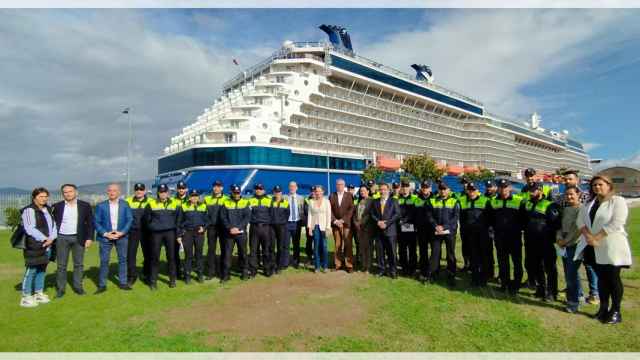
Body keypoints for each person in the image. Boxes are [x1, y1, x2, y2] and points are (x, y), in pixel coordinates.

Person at [577, 175, 632, 324]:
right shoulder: (589, 203)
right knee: (602, 279)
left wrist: (597, 237)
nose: (597, 187)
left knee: (613, 279)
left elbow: (617, 222)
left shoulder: (617, 201)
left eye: (600, 184)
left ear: (609, 185)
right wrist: (589, 237)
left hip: (611, 246)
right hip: (593, 247)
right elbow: (580, 221)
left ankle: (616, 311)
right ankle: (603, 309)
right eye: (594, 185)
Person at [556, 170, 599, 304]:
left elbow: (581, 224)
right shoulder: (562, 197)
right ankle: (577, 292)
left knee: (589, 266)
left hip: (582, 239)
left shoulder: (587, 196)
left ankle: (594, 293)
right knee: (571, 269)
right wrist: (559, 238)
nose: (567, 181)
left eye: (570, 179)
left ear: (577, 180)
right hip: (566, 239)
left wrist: (566, 240)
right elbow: (561, 220)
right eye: (565, 179)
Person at [521, 182, 561, 301]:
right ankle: (541, 289)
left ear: (540, 190)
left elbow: (556, 224)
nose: (531, 192)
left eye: (534, 190)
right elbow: (524, 220)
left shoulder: (550, 205)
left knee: (550, 268)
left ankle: (552, 292)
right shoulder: (527, 204)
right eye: (530, 190)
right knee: (536, 266)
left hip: (546, 242)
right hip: (531, 241)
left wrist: (550, 236)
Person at [52, 184, 94, 297]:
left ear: (76, 192)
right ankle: (61, 289)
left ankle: (78, 287)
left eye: (70, 191)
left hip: (79, 237)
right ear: (62, 194)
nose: (68, 194)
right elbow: (52, 223)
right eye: (65, 192)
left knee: (79, 264)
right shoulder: (57, 206)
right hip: (61, 238)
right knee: (61, 265)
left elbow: (90, 223)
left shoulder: (85, 206)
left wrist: (89, 238)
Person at [19, 187, 57, 307]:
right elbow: (29, 228)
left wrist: (51, 238)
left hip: (48, 244)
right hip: (34, 245)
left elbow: (54, 225)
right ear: (34, 197)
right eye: (41, 196)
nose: (44, 199)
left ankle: (38, 293)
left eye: (46, 196)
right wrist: (44, 239)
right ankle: (26, 296)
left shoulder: (48, 209)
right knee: (32, 270)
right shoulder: (29, 210)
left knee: (42, 269)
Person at [487, 179, 525, 295]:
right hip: (500, 237)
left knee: (517, 262)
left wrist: (517, 229)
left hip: (514, 237)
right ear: (498, 188)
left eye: (505, 187)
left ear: (510, 188)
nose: (503, 189)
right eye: (501, 187)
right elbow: (490, 218)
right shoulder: (493, 201)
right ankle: (505, 283)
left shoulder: (519, 201)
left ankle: (516, 284)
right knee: (502, 262)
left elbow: (524, 219)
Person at [94, 183, 133, 293]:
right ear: (107, 192)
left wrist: (121, 233)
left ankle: (123, 283)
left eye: (114, 190)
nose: (112, 192)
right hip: (106, 238)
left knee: (122, 260)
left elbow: (129, 220)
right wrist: (106, 233)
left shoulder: (125, 204)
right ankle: (102, 285)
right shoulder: (101, 206)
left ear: (119, 192)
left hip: (122, 236)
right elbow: (96, 222)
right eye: (110, 190)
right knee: (104, 261)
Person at [144, 184, 181, 289]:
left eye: (165, 192)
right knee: (154, 257)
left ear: (168, 193)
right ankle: (153, 282)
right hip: (156, 234)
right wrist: (153, 227)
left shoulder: (175, 203)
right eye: (161, 192)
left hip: (170, 233)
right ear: (158, 193)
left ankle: (172, 280)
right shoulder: (151, 204)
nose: (163, 194)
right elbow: (146, 220)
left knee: (171, 257)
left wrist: (177, 232)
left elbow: (179, 219)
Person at [556, 186, 586, 313]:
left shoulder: (582, 209)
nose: (569, 197)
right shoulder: (566, 209)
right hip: (564, 245)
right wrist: (558, 238)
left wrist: (565, 241)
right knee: (570, 272)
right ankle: (577, 296)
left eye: (572, 194)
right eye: (567, 194)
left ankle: (573, 302)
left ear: (578, 194)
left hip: (575, 244)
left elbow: (577, 230)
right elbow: (560, 226)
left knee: (571, 275)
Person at [426, 182, 460, 286]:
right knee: (435, 253)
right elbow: (429, 215)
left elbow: (455, 217)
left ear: (449, 190)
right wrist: (436, 226)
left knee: (450, 254)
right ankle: (433, 275)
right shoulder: (432, 200)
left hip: (449, 231)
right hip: (436, 231)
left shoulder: (454, 201)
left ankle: (451, 275)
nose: (443, 191)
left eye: (445, 189)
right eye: (441, 189)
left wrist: (444, 227)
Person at [458, 182, 491, 287]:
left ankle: (484, 278)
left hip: (483, 234)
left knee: (484, 257)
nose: (471, 192)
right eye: (470, 190)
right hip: (470, 234)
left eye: (473, 190)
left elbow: (491, 218)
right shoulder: (464, 201)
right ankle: (475, 278)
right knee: (473, 257)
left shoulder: (486, 201)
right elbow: (462, 218)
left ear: (478, 191)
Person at [220, 184, 251, 283]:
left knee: (243, 253)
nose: (236, 194)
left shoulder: (245, 202)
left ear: (240, 193)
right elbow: (223, 217)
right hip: (229, 234)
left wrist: (239, 228)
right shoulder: (226, 203)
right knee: (227, 254)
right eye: (235, 192)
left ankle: (244, 272)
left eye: (238, 192)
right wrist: (230, 228)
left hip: (241, 233)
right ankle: (226, 275)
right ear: (231, 192)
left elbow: (247, 217)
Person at [177, 189, 209, 284]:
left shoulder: (203, 206)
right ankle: (187, 275)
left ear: (198, 197)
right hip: (188, 233)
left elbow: (208, 220)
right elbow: (178, 222)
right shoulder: (183, 206)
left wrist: (204, 228)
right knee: (188, 255)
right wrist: (179, 235)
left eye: (196, 196)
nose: (194, 198)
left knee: (199, 255)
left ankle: (200, 274)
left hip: (199, 233)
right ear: (189, 197)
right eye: (192, 196)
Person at [370, 183, 401, 278]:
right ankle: (381, 269)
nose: (382, 191)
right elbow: (372, 214)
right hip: (379, 231)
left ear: (388, 190)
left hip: (390, 231)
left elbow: (397, 214)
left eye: (384, 189)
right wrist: (378, 222)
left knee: (392, 252)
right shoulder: (375, 201)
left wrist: (386, 223)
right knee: (380, 252)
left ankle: (393, 271)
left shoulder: (394, 201)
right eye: (381, 189)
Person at [125, 183, 151, 286]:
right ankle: (132, 276)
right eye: (137, 189)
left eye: (141, 189)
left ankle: (147, 274)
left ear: (144, 191)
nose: (139, 191)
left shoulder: (151, 201)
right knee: (131, 255)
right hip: (132, 231)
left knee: (148, 254)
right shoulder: (128, 201)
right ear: (134, 191)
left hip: (146, 232)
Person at [203, 180, 228, 280]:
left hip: (223, 228)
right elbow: (204, 214)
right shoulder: (207, 199)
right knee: (211, 250)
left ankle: (222, 271)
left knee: (224, 249)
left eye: (218, 186)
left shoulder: (227, 199)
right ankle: (211, 272)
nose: (216, 188)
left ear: (222, 188)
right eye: (215, 186)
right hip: (211, 228)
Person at [329, 178, 355, 272]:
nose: (339, 186)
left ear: (344, 186)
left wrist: (343, 220)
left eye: (341, 184)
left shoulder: (349, 195)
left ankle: (349, 265)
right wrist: (335, 221)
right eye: (338, 184)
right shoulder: (332, 195)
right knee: (337, 244)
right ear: (336, 185)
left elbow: (351, 209)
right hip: (335, 224)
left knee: (348, 244)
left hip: (346, 224)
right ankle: (338, 264)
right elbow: (329, 210)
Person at [248, 183, 273, 277]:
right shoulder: (250, 200)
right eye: (257, 188)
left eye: (260, 188)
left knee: (266, 249)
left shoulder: (269, 200)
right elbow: (247, 214)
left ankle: (267, 269)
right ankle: (253, 269)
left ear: (264, 190)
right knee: (253, 250)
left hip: (266, 228)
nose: (258, 190)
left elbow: (272, 214)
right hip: (254, 227)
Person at [307, 185, 332, 273]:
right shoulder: (311, 202)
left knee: (324, 246)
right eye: (316, 191)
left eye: (319, 191)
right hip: (315, 226)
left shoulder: (327, 202)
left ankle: (325, 266)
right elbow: (310, 215)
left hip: (324, 227)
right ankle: (317, 266)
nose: (317, 193)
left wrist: (328, 227)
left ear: (322, 192)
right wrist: (309, 228)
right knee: (316, 246)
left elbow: (329, 215)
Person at [413, 180, 433, 283]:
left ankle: (433, 272)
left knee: (435, 252)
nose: (425, 189)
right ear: (421, 188)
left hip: (433, 230)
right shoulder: (417, 200)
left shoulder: (434, 199)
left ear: (430, 188)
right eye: (423, 187)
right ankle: (423, 271)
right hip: (421, 230)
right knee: (423, 251)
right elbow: (414, 215)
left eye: (427, 187)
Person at [397, 180, 418, 277]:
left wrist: (404, 221)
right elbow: (396, 212)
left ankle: (412, 268)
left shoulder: (414, 198)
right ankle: (404, 268)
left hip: (410, 226)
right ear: (401, 188)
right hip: (400, 227)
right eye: (403, 186)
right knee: (402, 249)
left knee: (412, 249)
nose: (405, 188)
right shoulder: (397, 199)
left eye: (406, 186)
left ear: (409, 188)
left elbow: (414, 213)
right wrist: (400, 221)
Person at [353, 185, 375, 273]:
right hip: (359, 228)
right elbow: (355, 214)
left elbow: (370, 214)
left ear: (368, 191)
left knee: (368, 248)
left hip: (367, 228)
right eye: (361, 191)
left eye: (364, 191)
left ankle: (368, 267)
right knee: (361, 247)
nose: (362, 192)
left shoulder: (371, 201)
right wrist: (355, 222)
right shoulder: (359, 201)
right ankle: (363, 265)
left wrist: (361, 222)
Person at [271, 185, 290, 274]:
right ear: (273, 193)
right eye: (276, 192)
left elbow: (287, 215)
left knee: (280, 247)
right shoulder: (270, 202)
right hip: (271, 227)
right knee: (271, 247)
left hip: (282, 227)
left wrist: (281, 223)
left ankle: (279, 266)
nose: (277, 193)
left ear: (281, 193)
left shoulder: (286, 203)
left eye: (279, 192)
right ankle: (272, 265)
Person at [286, 181, 305, 269]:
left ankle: (296, 261)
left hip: (297, 223)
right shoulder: (284, 198)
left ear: (296, 188)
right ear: (289, 187)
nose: (292, 188)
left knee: (296, 243)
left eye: (294, 186)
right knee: (286, 243)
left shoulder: (301, 198)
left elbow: (303, 211)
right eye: (290, 186)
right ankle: (285, 262)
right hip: (287, 223)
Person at [173, 181, 189, 279]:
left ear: (186, 189)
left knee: (188, 252)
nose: (181, 190)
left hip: (188, 230)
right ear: (177, 189)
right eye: (179, 188)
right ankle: (177, 272)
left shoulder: (191, 199)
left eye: (183, 188)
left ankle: (187, 271)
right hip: (176, 229)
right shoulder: (172, 200)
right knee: (175, 252)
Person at [484, 180, 498, 280]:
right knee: (487, 252)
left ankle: (502, 275)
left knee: (501, 253)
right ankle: (489, 273)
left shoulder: (499, 198)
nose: (489, 188)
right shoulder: (483, 198)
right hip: (486, 228)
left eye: (491, 186)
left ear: (496, 188)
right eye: (488, 187)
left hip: (498, 229)